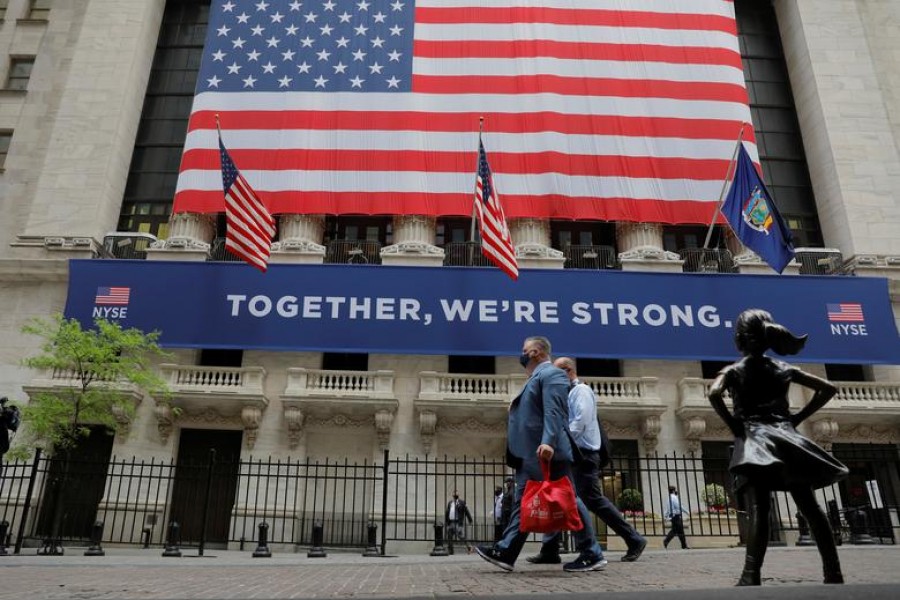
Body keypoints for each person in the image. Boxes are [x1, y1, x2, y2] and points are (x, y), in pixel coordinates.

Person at [708, 308, 847, 586]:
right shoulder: (783, 368)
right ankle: (833, 572)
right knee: (810, 506)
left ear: (741, 338)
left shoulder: (735, 370)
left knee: (759, 507)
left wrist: (735, 425)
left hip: (756, 438)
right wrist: (796, 418)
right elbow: (828, 388)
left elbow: (713, 393)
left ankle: (751, 575)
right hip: (787, 437)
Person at [475, 336, 606, 573]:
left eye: (524, 350)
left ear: (535, 351)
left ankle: (591, 552)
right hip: (529, 452)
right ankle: (506, 551)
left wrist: (548, 442)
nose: (522, 354)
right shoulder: (536, 378)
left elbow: (554, 412)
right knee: (523, 501)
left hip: (545, 451)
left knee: (569, 500)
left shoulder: (552, 374)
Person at [527, 357, 647, 564]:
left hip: (583, 454)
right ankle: (550, 549)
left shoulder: (581, 391)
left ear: (567, 371)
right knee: (559, 496)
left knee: (589, 500)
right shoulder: (569, 392)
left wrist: (556, 442)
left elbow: (579, 422)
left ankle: (633, 539)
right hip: (574, 453)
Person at [445, 490, 473, 554]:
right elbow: (447, 512)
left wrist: (470, 520)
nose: (455, 494)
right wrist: (447, 522)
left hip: (458, 522)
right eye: (454, 492)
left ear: (458, 494)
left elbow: (466, 511)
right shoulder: (450, 503)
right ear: (452, 495)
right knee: (449, 537)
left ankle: (469, 547)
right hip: (451, 522)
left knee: (461, 536)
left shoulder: (462, 502)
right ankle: (451, 551)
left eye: (456, 492)